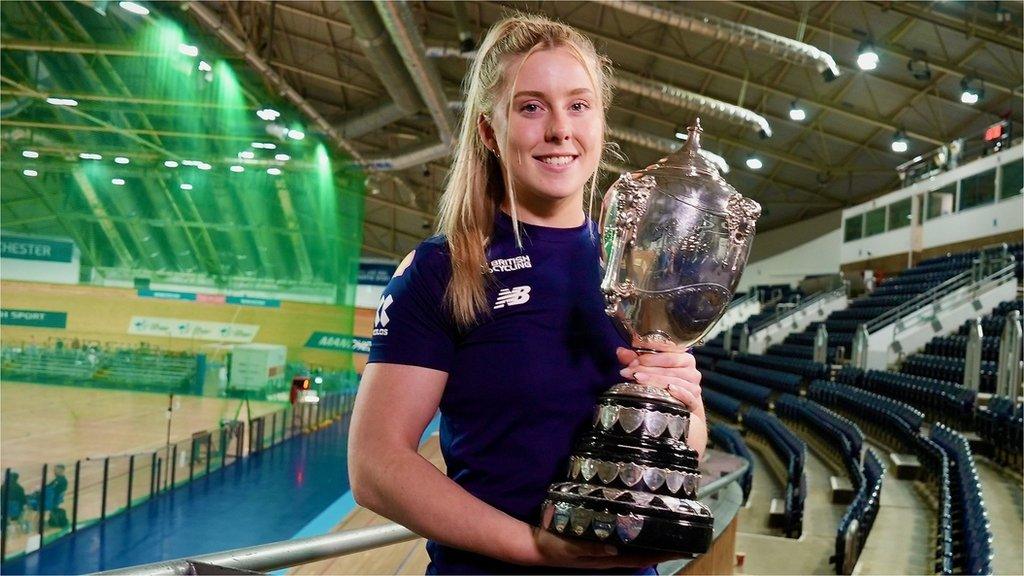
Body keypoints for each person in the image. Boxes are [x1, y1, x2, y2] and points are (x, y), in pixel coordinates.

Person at [349, 14, 707, 575]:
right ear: (490, 132)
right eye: (531, 106)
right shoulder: (445, 269)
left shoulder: (643, 266)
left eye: (579, 105)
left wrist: (685, 402)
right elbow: (374, 466)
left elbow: (687, 447)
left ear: (600, 121)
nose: (561, 130)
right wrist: (537, 548)